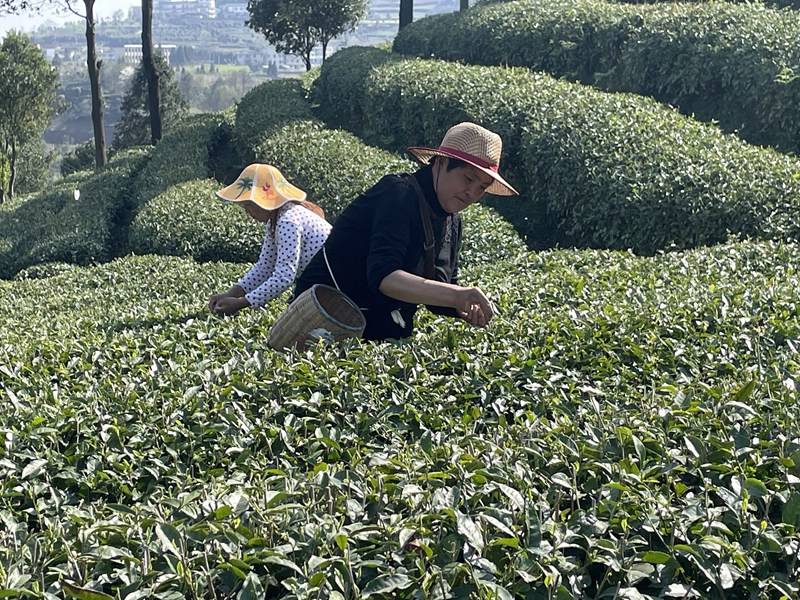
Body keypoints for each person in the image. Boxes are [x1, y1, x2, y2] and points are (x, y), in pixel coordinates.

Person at [294, 122, 519, 341]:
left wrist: (466, 305)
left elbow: (439, 288)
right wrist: (455, 295)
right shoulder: (399, 196)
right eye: (468, 178)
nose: (472, 192)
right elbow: (384, 277)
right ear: (441, 163)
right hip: (324, 319)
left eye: (482, 187)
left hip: (377, 329)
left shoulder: (452, 220)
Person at [208, 164, 331, 316]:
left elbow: (284, 276)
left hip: (334, 282)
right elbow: (265, 266)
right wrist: (231, 294)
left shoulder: (288, 221)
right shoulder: (275, 221)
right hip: (318, 282)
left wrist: (241, 303)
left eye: (250, 205)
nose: (247, 211)